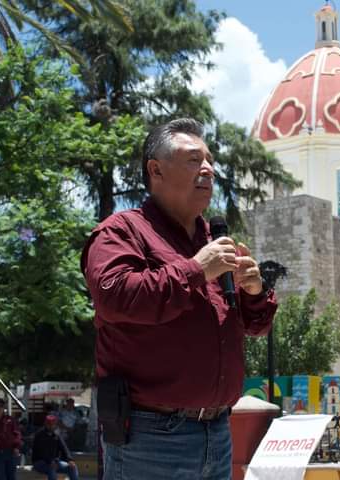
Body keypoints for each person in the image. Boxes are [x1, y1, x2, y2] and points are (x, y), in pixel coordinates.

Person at [81, 117, 278, 479]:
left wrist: (253, 292)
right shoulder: (121, 232)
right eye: (193, 160)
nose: (208, 169)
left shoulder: (214, 241)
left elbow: (256, 326)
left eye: (209, 161)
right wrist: (196, 270)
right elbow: (117, 298)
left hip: (218, 434)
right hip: (149, 439)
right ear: (155, 170)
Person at [31, 415, 79, 480]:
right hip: (40, 462)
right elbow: (42, 452)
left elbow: (64, 448)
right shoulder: (39, 435)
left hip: (54, 461)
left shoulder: (56, 435)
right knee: (52, 468)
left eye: (53, 425)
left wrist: (70, 460)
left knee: (72, 467)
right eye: (49, 424)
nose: (51, 426)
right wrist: (50, 461)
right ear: (46, 424)